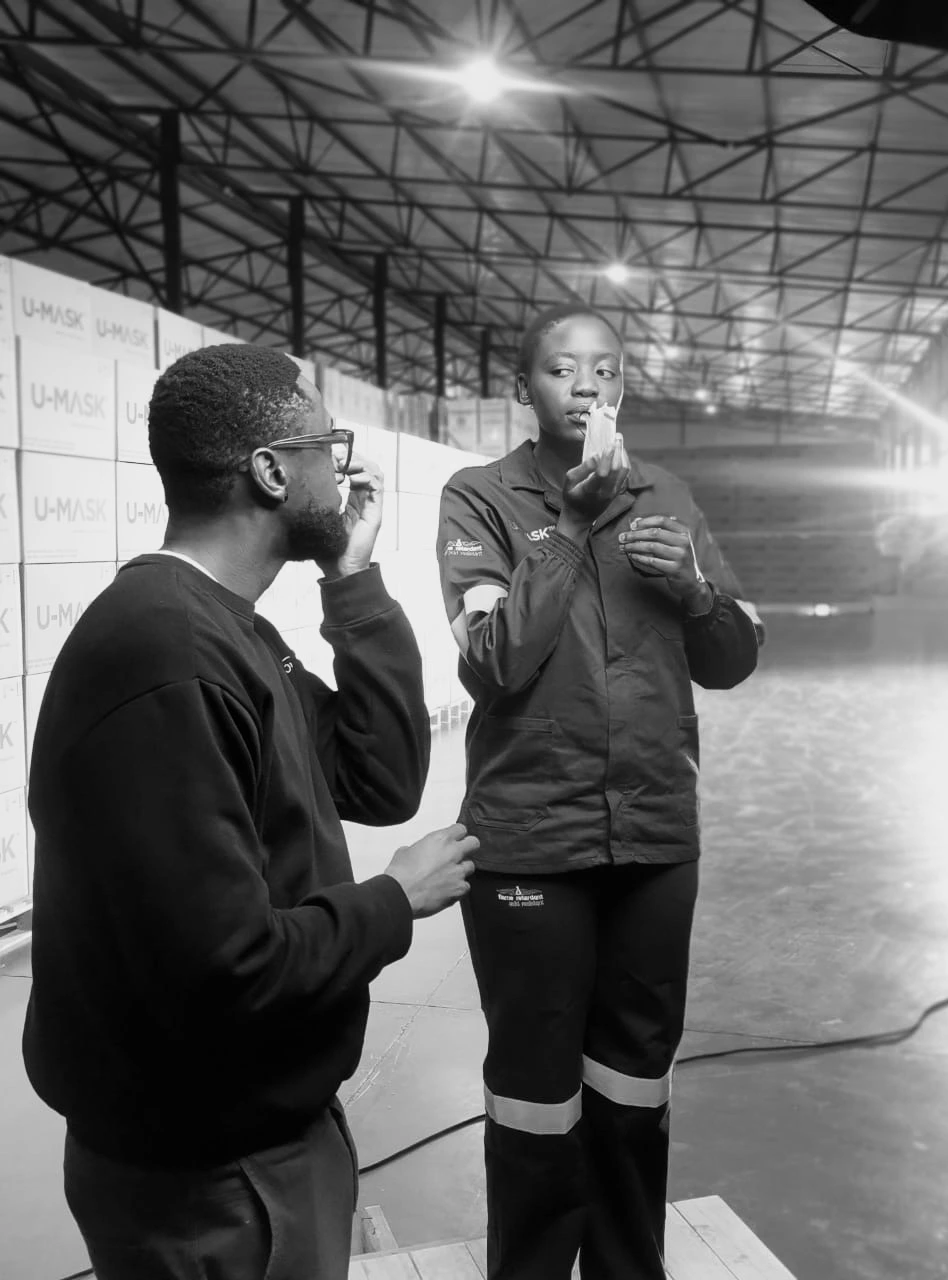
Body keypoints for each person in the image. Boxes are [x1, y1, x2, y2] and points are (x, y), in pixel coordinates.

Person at [23, 343, 478, 1280]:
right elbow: (224, 970)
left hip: (255, 1131)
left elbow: (380, 776)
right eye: (328, 442)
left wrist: (352, 580)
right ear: (271, 470)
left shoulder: (230, 631)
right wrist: (396, 901)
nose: (344, 465)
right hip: (210, 1174)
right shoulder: (167, 655)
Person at [436, 304, 762, 1280]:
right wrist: (573, 526)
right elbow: (492, 661)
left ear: (622, 386)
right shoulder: (481, 497)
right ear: (524, 389)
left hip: (656, 836)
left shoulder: (668, 495)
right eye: (562, 369)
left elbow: (734, 654)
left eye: (606, 369)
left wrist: (696, 591)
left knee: (633, 1084)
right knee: (536, 1090)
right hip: (532, 843)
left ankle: (629, 1265)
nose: (587, 384)